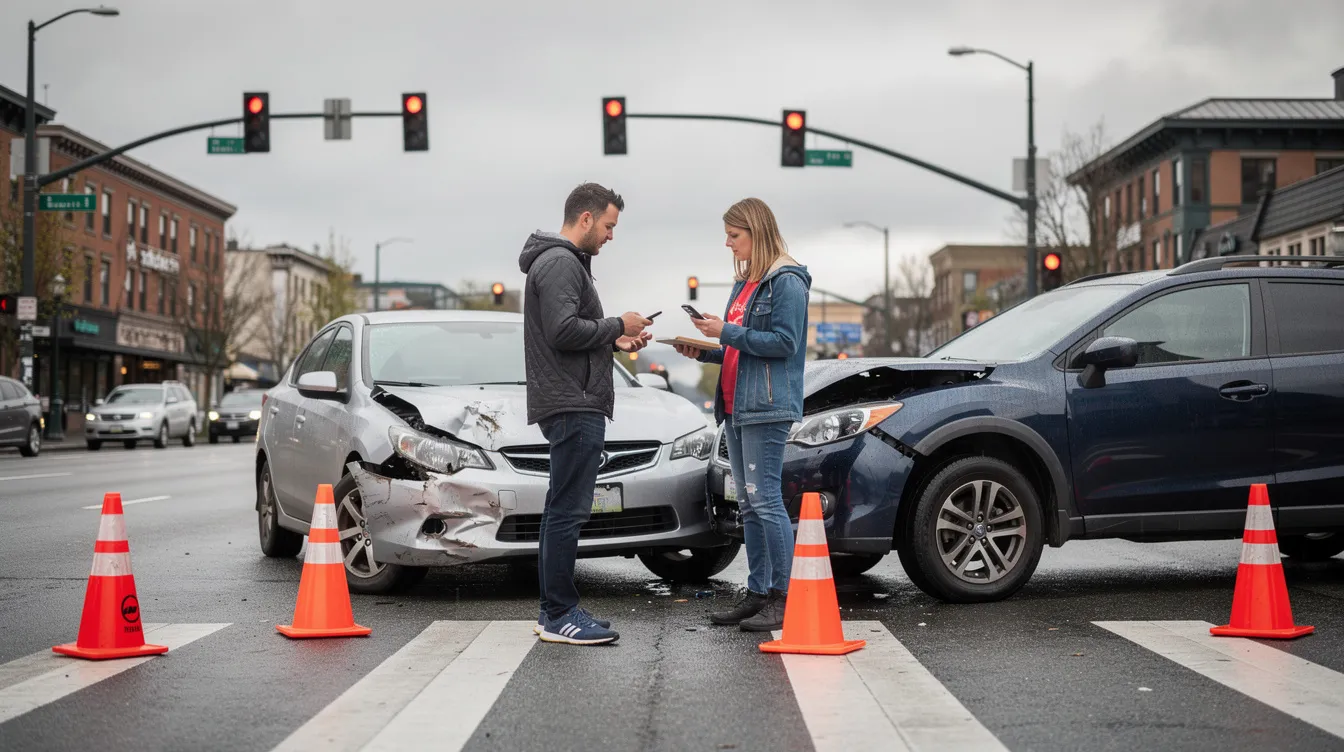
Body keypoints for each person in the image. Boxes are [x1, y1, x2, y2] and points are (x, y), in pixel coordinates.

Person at [519, 182, 653, 645]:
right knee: (567, 512)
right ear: (585, 219)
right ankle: (558, 614)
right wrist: (619, 324)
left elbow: (573, 331)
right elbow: (561, 331)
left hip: (571, 397)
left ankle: (559, 608)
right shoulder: (559, 262)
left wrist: (612, 340)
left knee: (563, 508)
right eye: (609, 225)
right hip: (572, 402)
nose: (611, 236)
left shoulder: (562, 262)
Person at [673, 197, 811, 631]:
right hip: (735, 404)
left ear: (756, 231)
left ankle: (783, 598)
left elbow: (785, 343)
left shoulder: (786, 281)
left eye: (734, 235)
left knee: (766, 498)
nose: (728, 243)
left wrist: (726, 331)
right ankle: (756, 593)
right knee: (748, 503)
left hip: (767, 406)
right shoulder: (746, 282)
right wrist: (708, 350)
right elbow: (743, 347)